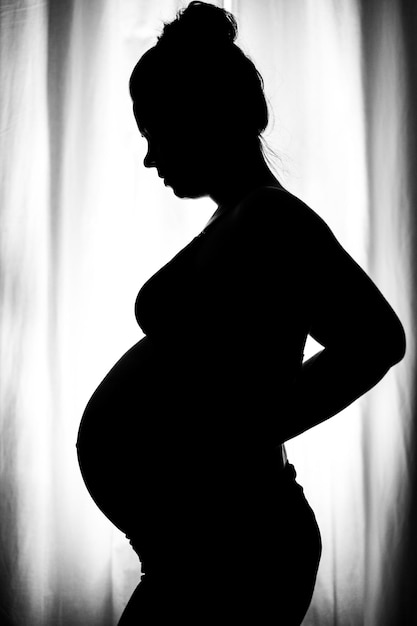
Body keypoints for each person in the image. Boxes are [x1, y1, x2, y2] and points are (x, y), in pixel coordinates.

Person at [76, 2, 406, 624]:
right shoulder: (237, 219)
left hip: (239, 547)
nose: (150, 158)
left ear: (202, 117)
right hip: (198, 548)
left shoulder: (270, 217)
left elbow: (377, 340)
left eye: (156, 132)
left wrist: (248, 431)